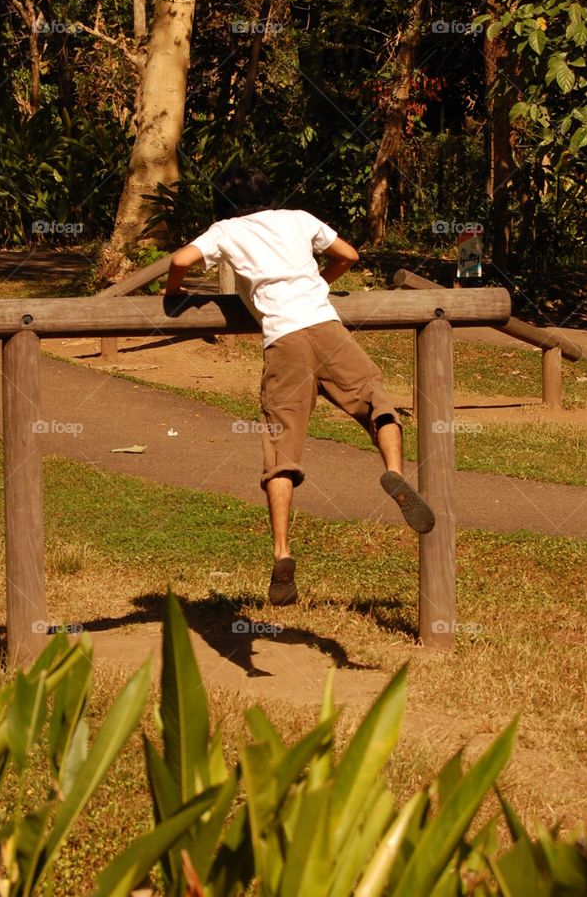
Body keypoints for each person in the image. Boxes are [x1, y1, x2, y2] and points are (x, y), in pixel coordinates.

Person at [164, 168, 435, 605]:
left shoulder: (226, 230)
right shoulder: (299, 218)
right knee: (376, 399)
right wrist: (321, 283)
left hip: (285, 343)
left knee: (281, 445)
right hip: (327, 328)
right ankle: (395, 472)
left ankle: (283, 553)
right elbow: (349, 254)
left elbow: (179, 261)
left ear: (222, 203)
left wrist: (173, 291)